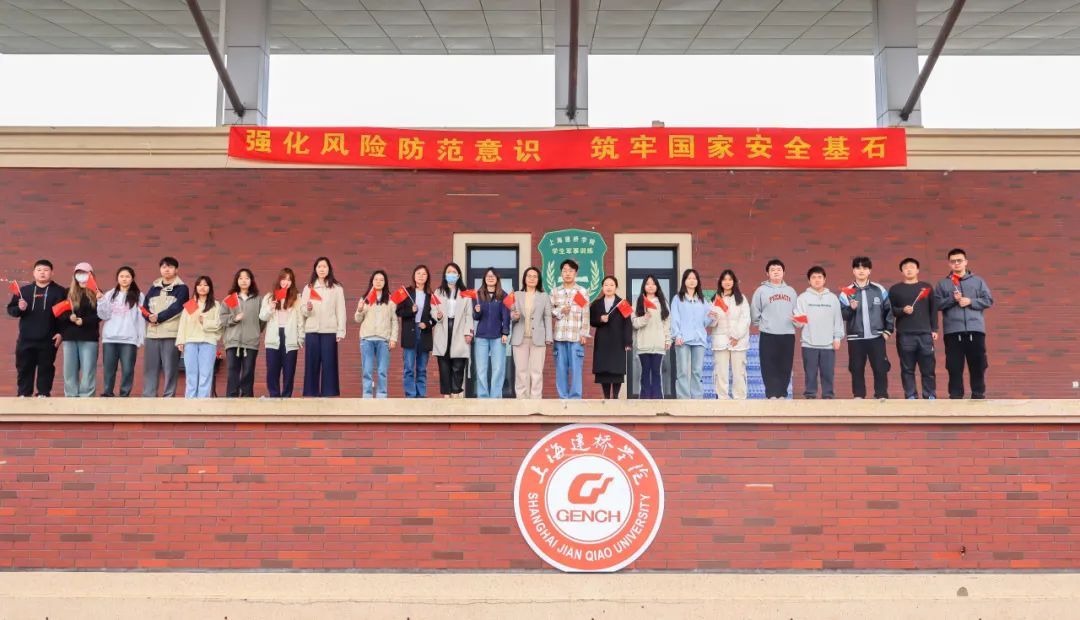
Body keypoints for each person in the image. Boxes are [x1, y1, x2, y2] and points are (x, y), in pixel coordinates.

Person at [934, 248, 994, 399]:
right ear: (949, 264)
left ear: (966, 262)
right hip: (953, 332)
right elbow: (936, 304)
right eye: (953, 261)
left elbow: (988, 300)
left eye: (959, 260)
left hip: (975, 330)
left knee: (978, 365)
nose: (956, 263)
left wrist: (970, 301)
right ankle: (955, 396)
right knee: (954, 366)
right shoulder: (943, 284)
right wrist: (952, 300)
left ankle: (978, 395)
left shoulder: (978, 281)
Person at [7, 259, 65, 397]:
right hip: (26, 339)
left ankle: (43, 394)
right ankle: (23, 394)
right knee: (24, 368)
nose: (42, 273)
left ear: (52, 272)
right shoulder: (24, 291)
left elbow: (65, 315)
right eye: (39, 270)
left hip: (48, 339)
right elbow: (12, 310)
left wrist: (61, 333)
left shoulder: (60, 291)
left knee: (46, 368)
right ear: (33, 273)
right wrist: (19, 308)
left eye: (46, 270)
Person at [839, 256, 894, 399]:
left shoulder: (879, 289)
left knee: (880, 367)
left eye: (864, 268)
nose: (861, 271)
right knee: (856, 368)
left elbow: (889, 311)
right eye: (858, 268)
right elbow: (842, 315)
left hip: (877, 336)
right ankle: (858, 395)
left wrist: (888, 331)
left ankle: (881, 395)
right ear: (853, 271)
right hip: (855, 338)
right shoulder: (846, 292)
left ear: (869, 271)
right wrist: (850, 309)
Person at [889, 258, 938, 400]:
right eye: (905, 267)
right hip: (905, 334)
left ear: (917, 270)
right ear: (901, 271)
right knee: (907, 368)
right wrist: (902, 310)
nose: (909, 269)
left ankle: (930, 395)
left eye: (912, 267)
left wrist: (934, 329)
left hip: (925, 334)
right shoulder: (895, 289)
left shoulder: (926, 287)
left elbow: (933, 309)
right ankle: (910, 395)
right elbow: (890, 310)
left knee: (928, 368)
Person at [142, 256, 189, 397]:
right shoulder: (153, 288)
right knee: (150, 368)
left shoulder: (182, 288)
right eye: (163, 267)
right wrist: (149, 317)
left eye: (170, 267)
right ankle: (149, 396)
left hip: (170, 334)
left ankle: (168, 396)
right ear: (160, 269)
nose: (166, 270)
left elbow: (177, 308)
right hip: (152, 334)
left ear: (176, 270)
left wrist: (158, 318)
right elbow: (144, 307)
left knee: (170, 368)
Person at [750, 259, 798, 399]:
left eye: (779, 269)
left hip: (787, 334)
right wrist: (762, 324)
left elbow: (797, 311)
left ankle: (782, 393)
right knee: (768, 365)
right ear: (767, 273)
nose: (776, 272)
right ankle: (771, 394)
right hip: (768, 334)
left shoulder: (791, 291)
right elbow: (755, 311)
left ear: (784, 272)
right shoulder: (761, 291)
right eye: (772, 270)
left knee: (785, 365)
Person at [795, 266, 844, 399]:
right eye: (813, 277)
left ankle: (828, 396)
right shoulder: (802, 298)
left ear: (824, 279)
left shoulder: (833, 298)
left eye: (819, 277)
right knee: (810, 374)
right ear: (809, 281)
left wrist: (837, 338)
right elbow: (799, 321)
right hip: (808, 343)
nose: (817, 280)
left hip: (828, 344)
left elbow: (837, 319)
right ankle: (810, 396)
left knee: (828, 373)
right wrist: (797, 320)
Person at [301, 257, 346, 397]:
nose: (322, 269)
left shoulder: (337, 288)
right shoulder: (308, 288)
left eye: (324, 266)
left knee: (329, 363)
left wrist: (340, 331)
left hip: (329, 331)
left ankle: (329, 394)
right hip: (312, 330)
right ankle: (311, 393)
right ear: (315, 269)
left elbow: (341, 310)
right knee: (311, 363)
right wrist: (307, 308)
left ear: (329, 269)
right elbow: (302, 310)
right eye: (319, 266)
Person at [97, 266, 145, 397]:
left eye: (127, 276)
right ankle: (108, 392)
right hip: (110, 339)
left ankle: (124, 394)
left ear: (132, 279)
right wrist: (100, 301)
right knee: (109, 369)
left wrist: (140, 338)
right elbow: (103, 316)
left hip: (129, 339)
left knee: (128, 369)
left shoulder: (139, 296)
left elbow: (141, 318)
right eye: (121, 276)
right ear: (117, 278)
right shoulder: (110, 294)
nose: (124, 279)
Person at [58, 262, 101, 397]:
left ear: (91, 275)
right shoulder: (67, 292)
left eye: (85, 273)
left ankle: (87, 397)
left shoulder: (97, 293)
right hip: (70, 337)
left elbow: (100, 315)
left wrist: (84, 321)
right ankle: (71, 396)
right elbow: (60, 312)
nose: (82, 276)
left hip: (89, 337)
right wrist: (69, 317)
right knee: (69, 370)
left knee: (88, 369)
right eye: (79, 273)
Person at [175, 275, 222, 398]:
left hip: (208, 342)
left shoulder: (216, 305)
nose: (202, 287)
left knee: (205, 374)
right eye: (200, 285)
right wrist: (180, 341)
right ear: (195, 287)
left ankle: (203, 402)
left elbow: (219, 324)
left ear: (210, 288)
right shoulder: (191, 304)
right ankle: (190, 401)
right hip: (191, 341)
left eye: (205, 285)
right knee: (191, 374)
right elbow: (183, 323)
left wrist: (204, 322)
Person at [431, 262, 473, 398]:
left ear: (458, 275)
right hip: (443, 328)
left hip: (460, 329)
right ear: (445, 275)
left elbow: (469, 315)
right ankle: (446, 395)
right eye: (449, 272)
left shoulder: (465, 293)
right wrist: (437, 316)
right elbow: (433, 310)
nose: (451, 275)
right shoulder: (438, 292)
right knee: (444, 364)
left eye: (454, 272)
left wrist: (468, 332)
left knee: (458, 364)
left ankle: (456, 393)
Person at [354, 270, 398, 399]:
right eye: (376, 279)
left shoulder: (390, 300)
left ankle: (382, 395)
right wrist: (359, 309)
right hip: (367, 339)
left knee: (382, 371)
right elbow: (357, 319)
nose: (378, 282)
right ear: (372, 281)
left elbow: (394, 321)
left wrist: (393, 339)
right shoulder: (365, 299)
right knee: (367, 370)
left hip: (383, 340)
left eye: (381, 280)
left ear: (385, 283)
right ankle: (367, 395)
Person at [260, 268, 303, 398]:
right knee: (272, 370)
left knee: (289, 371)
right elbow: (262, 317)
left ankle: (286, 397)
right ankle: (274, 396)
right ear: (279, 280)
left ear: (292, 282)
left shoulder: (297, 297)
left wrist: (300, 338)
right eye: (284, 279)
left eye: (289, 280)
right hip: (274, 336)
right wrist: (270, 308)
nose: (286, 282)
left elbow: (300, 319)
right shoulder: (269, 297)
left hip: (290, 336)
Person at [551, 259, 591, 399]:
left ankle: (575, 398)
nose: (567, 273)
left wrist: (584, 334)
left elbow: (585, 313)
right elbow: (550, 311)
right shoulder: (555, 291)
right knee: (560, 369)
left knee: (576, 369)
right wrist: (561, 310)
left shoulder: (581, 292)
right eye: (565, 271)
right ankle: (563, 398)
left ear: (576, 273)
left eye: (571, 271)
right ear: (561, 273)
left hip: (576, 337)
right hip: (559, 336)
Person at [510, 266, 552, 399]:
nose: (532, 279)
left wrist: (549, 336)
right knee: (520, 371)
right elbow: (510, 313)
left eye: (535, 276)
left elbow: (547, 316)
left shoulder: (544, 296)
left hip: (538, 338)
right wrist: (514, 316)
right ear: (524, 278)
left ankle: (536, 400)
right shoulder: (516, 295)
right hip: (519, 338)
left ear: (538, 279)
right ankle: (521, 399)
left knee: (536, 372)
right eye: (529, 276)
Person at [222, 268, 263, 398]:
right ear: (237, 280)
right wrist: (234, 318)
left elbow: (262, 320)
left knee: (248, 372)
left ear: (251, 281)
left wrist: (255, 331)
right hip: (232, 342)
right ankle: (231, 397)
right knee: (232, 371)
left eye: (247, 278)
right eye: (241, 278)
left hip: (251, 342)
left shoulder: (258, 300)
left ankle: (247, 398)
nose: (244, 281)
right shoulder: (230, 298)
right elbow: (222, 319)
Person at [709, 270, 751, 400]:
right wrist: (713, 317)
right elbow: (711, 322)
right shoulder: (715, 299)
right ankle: (722, 398)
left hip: (738, 341)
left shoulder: (741, 298)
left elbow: (745, 319)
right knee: (721, 371)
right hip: (720, 341)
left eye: (730, 279)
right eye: (724, 279)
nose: (727, 282)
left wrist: (736, 336)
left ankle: (740, 398)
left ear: (734, 282)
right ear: (720, 282)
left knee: (739, 372)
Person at [589, 275, 632, 399]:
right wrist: (600, 319)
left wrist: (628, 342)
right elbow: (591, 321)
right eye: (606, 285)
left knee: (617, 369)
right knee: (604, 370)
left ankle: (616, 396)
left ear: (616, 287)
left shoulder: (623, 303)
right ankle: (607, 397)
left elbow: (627, 324)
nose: (609, 287)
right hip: (602, 341)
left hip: (618, 341)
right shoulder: (596, 304)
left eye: (612, 285)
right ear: (602, 287)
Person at [471, 268, 511, 399]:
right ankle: (483, 396)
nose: (490, 278)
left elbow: (506, 316)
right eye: (488, 276)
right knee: (481, 369)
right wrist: (477, 311)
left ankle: (496, 397)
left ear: (497, 279)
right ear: (484, 279)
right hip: (481, 337)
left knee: (498, 368)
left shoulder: (503, 295)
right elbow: (476, 317)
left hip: (498, 337)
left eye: (493, 276)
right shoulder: (478, 295)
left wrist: (505, 333)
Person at [670, 268, 710, 399]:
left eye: (694, 278)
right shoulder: (677, 299)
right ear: (684, 281)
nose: (692, 281)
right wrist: (677, 335)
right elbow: (674, 318)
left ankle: (697, 398)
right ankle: (683, 398)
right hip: (683, 340)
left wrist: (712, 317)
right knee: (682, 371)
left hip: (699, 340)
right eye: (689, 278)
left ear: (698, 281)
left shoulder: (703, 301)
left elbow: (705, 322)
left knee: (697, 371)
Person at [396, 265, 434, 399]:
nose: (421, 276)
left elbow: (434, 317)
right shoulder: (407, 292)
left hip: (424, 334)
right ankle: (410, 395)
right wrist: (410, 311)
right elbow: (399, 311)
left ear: (427, 277)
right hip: (410, 334)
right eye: (418, 273)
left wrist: (427, 324)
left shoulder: (431, 295)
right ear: (414, 276)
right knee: (409, 368)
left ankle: (421, 395)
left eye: (424, 274)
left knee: (422, 368)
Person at [631, 275, 671, 399]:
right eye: (648, 284)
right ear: (644, 286)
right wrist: (645, 318)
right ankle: (644, 399)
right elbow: (634, 323)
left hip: (658, 343)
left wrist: (667, 339)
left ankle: (657, 399)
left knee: (656, 372)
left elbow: (667, 323)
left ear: (657, 286)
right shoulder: (638, 302)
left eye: (653, 284)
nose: (650, 286)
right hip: (643, 343)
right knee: (645, 372)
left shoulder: (663, 302)